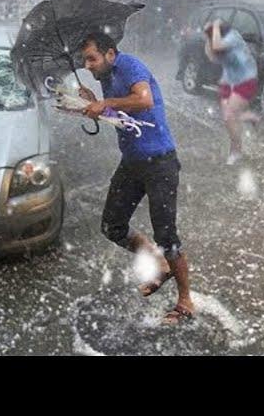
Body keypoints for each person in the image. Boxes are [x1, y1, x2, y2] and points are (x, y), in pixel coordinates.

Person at [78, 32, 194, 324]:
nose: (88, 66)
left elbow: (144, 100)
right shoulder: (105, 78)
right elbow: (122, 116)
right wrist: (96, 105)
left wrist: (105, 103)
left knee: (167, 236)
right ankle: (160, 264)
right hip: (131, 162)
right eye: (84, 61)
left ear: (110, 54)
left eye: (92, 58)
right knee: (112, 225)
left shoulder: (129, 65)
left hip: (160, 163)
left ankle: (185, 300)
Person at [204, 19, 260, 165]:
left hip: (245, 79)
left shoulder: (232, 37)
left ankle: (236, 151)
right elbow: (212, 57)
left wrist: (214, 26)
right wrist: (208, 37)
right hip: (228, 80)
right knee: (228, 118)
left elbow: (216, 47)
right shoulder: (217, 39)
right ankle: (247, 116)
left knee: (230, 116)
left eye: (211, 32)